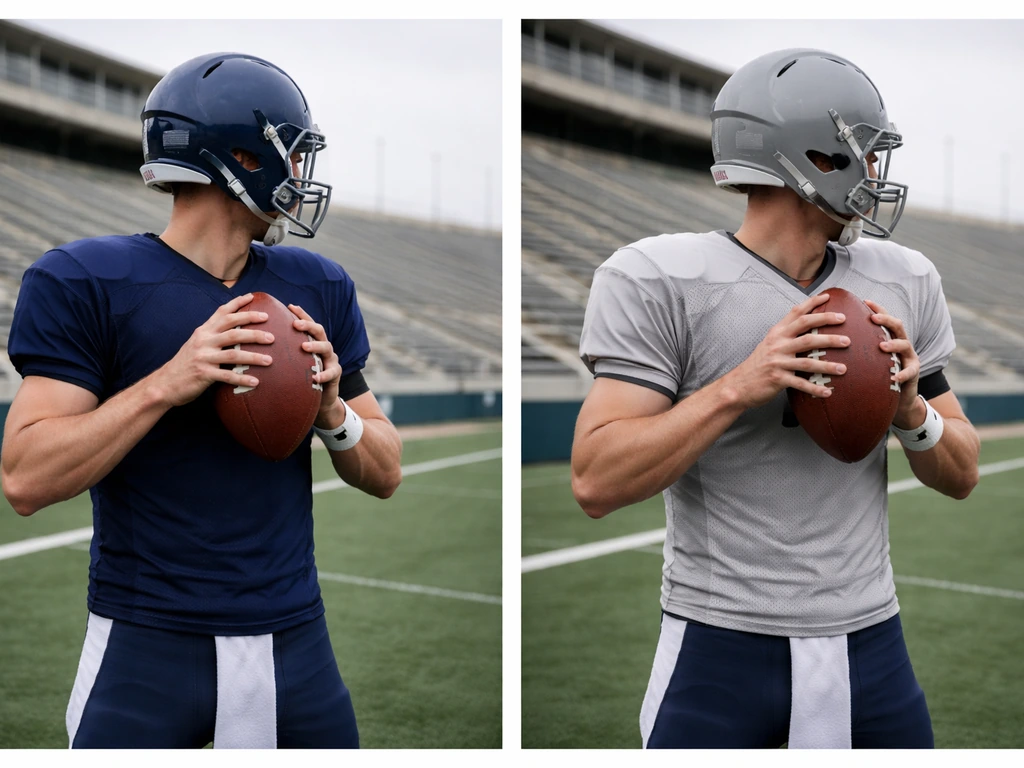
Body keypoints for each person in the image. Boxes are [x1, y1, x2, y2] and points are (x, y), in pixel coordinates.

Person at [571, 48, 980, 749]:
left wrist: (912, 413)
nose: (876, 174)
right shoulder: (660, 276)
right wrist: (738, 386)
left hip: (871, 639)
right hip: (720, 645)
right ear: (816, 158)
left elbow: (963, 472)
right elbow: (595, 479)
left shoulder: (904, 278)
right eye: (865, 153)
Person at [1, 52, 402, 749]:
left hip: (294, 638)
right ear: (242, 157)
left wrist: (333, 413)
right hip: (146, 642)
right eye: (292, 154)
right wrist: (166, 383)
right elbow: (26, 477)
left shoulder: (319, 285)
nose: (302, 176)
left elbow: (387, 471)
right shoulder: (84, 279)